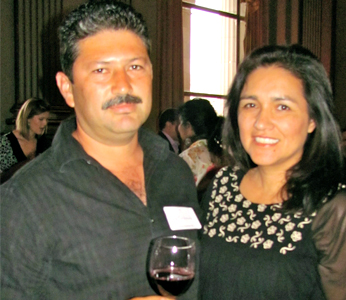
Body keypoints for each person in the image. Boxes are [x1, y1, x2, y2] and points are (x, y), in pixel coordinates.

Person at [0, 1, 200, 300]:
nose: (123, 84)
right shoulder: (24, 200)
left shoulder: (177, 171)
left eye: (135, 66)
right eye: (101, 70)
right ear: (67, 88)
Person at [199, 45, 346, 300]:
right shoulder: (222, 186)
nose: (261, 122)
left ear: (313, 119)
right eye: (250, 104)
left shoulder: (335, 210)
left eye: (282, 107)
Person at [178, 98, 226, 189]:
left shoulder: (185, 158)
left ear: (188, 127)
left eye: (180, 122)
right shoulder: (224, 155)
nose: (178, 127)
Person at [0, 97, 51, 183]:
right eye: (41, 119)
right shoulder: (7, 142)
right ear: (28, 119)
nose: (45, 123)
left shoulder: (43, 143)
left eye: (47, 119)